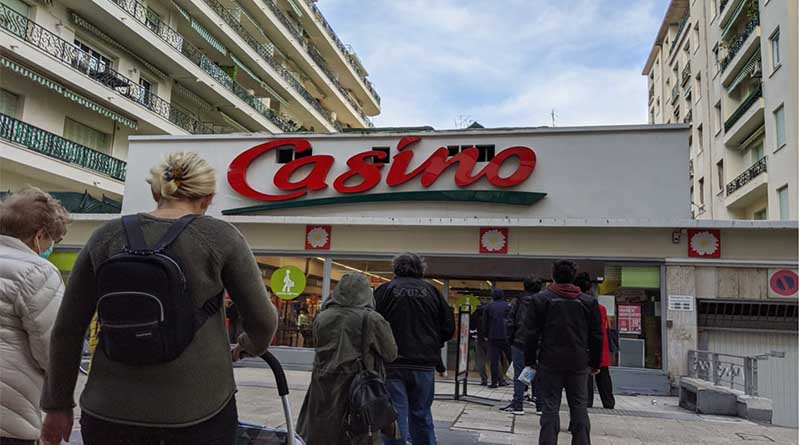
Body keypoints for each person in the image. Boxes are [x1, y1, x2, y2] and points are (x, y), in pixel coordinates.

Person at [40, 152, 279, 445]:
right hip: (197, 410)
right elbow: (263, 321)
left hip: (109, 408)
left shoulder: (106, 236)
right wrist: (245, 347)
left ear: (156, 191)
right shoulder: (221, 237)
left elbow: (67, 329)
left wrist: (58, 405)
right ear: (208, 198)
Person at [0, 188, 70, 445]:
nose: (51, 248)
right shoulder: (38, 272)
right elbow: (53, 349)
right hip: (9, 414)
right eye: (54, 240)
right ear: (39, 235)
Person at [297, 273, 398, 445]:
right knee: (356, 434)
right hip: (357, 387)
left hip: (322, 386)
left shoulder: (323, 317)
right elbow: (390, 353)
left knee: (323, 432)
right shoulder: (372, 319)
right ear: (367, 293)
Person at [375, 253, 454, 445]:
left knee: (395, 413)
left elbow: (373, 323)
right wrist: (434, 343)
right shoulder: (433, 292)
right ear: (421, 268)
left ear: (396, 268)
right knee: (422, 413)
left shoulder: (385, 290)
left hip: (392, 362)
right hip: (425, 363)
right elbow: (448, 327)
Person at [525, 260, 603, 445]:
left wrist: (530, 361)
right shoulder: (588, 302)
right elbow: (597, 334)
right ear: (573, 277)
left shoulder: (540, 300)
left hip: (549, 361)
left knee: (550, 407)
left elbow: (531, 333)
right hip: (578, 362)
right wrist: (595, 363)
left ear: (553, 275)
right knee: (579, 406)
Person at [500, 276, 543, 415]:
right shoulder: (545, 301)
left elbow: (510, 322)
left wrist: (510, 339)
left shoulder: (518, 301)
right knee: (537, 372)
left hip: (520, 341)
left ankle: (518, 404)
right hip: (539, 343)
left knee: (519, 373)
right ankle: (539, 404)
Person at [575, 273, 615, 410]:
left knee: (586, 377)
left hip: (585, 346)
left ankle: (587, 402)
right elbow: (605, 328)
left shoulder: (579, 304)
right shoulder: (601, 308)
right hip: (601, 346)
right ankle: (608, 403)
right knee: (604, 377)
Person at [484, 288, 511, 389]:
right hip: (506, 336)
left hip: (493, 336)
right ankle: (520, 382)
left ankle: (494, 382)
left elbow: (485, 323)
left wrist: (486, 335)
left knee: (494, 361)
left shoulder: (488, 307)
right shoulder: (508, 306)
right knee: (511, 359)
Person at [471, 297, 491, 385]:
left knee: (480, 360)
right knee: (494, 359)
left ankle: (484, 379)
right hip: (490, 339)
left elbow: (471, 325)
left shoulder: (476, 312)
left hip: (479, 339)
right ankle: (498, 379)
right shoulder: (490, 311)